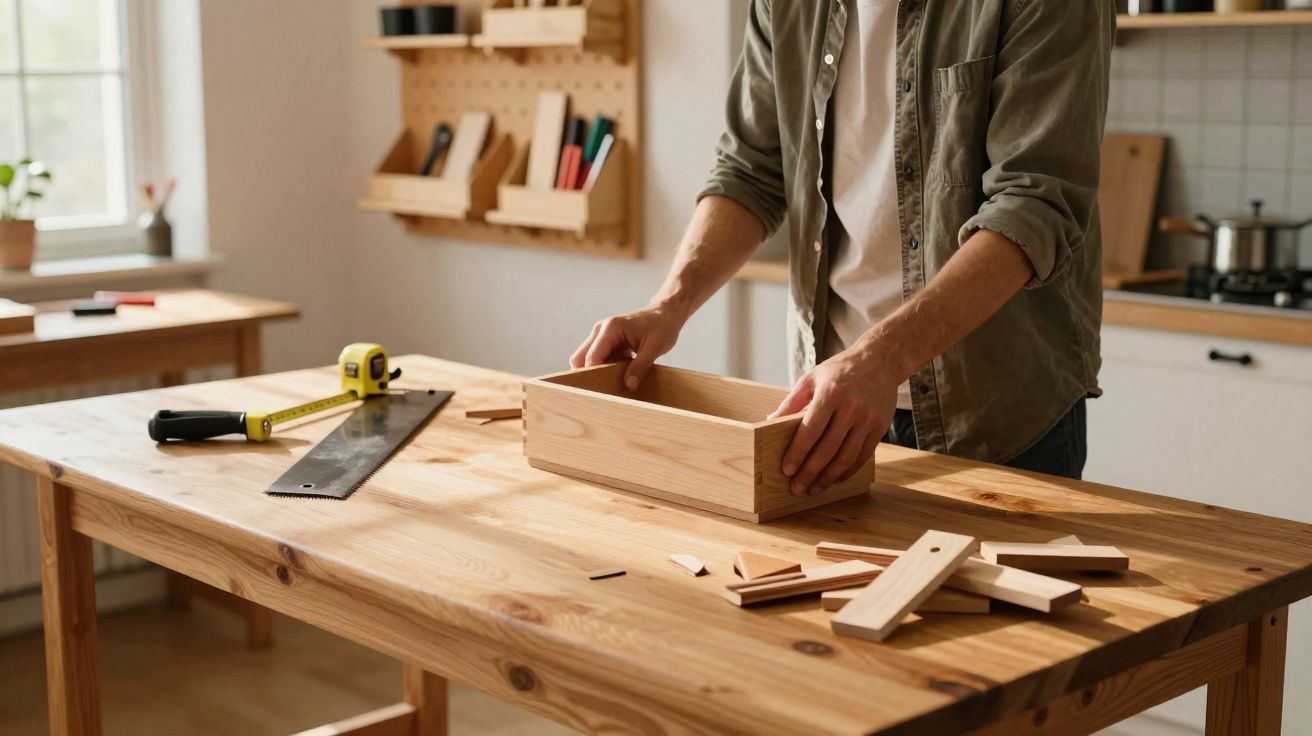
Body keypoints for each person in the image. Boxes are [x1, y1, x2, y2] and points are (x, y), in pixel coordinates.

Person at [571, 2, 1114, 494]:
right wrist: (668, 304)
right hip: (831, 406)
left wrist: (879, 361)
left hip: (997, 417)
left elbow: (1033, 205)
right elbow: (751, 172)